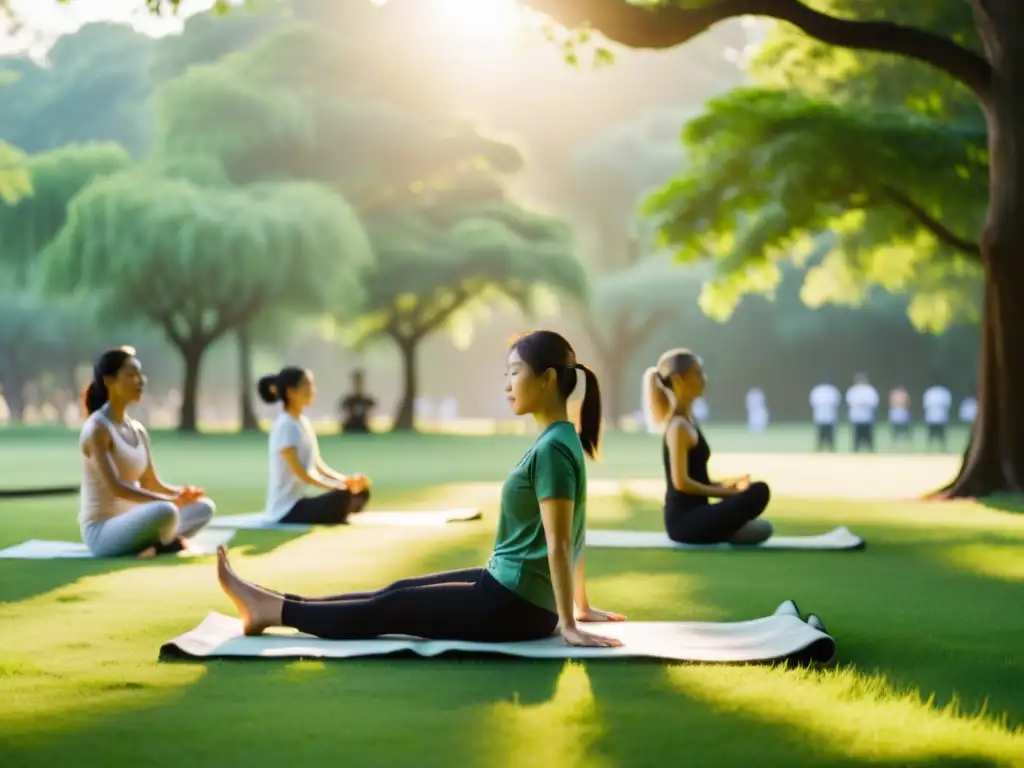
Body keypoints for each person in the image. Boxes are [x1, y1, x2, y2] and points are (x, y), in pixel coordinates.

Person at [219, 331, 625, 647]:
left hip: (515, 607)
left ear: (548, 378)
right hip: (509, 590)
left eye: (514, 372)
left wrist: (570, 623)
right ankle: (274, 602)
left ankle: (272, 611)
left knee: (392, 609)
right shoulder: (559, 439)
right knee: (396, 592)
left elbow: (561, 542)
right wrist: (580, 606)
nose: (507, 384)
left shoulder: (554, 448)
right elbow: (576, 534)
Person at [78, 346, 216, 558]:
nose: (140, 380)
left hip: (139, 518)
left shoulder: (138, 430)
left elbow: (152, 483)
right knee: (165, 511)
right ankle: (163, 540)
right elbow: (116, 488)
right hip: (104, 531)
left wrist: (180, 494)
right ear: (109, 381)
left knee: (203, 507)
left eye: (140, 374)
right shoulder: (97, 428)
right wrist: (168, 502)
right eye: (131, 375)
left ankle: (157, 541)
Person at [642, 349, 772, 545]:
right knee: (760, 491)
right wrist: (727, 493)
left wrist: (727, 485)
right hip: (684, 523)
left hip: (698, 513)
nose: (704, 378)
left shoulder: (689, 422)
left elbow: (698, 479)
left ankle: (724, 529)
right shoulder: (678, 427)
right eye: (697, 373)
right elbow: (681, 483)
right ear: (678, 380)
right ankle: (727, 529)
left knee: (758, 499)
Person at [259, 367, 372, 525]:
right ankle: (341, 506)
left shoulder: (302, 422)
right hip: (286, 511)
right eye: (307, 385)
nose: (313, 390)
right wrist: (337, 488)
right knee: (342, 496)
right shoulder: (286, 426)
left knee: (361, 492)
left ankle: (342, 505)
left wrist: (347, 481)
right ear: (291, 392)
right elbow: (303, 474)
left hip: (300, 504)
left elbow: (318, 465)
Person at [845, 374, 879, 452]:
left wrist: (864, 403)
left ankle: (869, 448)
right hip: (857, 415)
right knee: (857, 433)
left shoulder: (870, 390)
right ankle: (856, 448)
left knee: (868, 434)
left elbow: (874, 402)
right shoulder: (853, 390)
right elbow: (849, 401)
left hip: (867, 415)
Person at [338, 370, 376, 434]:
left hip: (364, 429)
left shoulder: (367, 401)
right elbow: (344, 414)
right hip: (350, 429)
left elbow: (371, 414)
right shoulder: (348, 401)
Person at [809, 379, 841, 451]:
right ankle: (820, 447)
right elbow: (813, 402)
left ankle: (831, 447)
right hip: (820, 415)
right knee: (821, 432)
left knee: (830, 432)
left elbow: (836, 401)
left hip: (830, 415)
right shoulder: (817, 391)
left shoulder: (832, 390)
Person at [923, 383, 953, 450]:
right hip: (940, 417)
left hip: (933, 417)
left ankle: (930, 448)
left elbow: (925, 405)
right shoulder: (944, 392)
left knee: (934, 436)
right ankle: (941, 448)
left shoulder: (929, 392)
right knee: (939, 436)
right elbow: (948, 405)